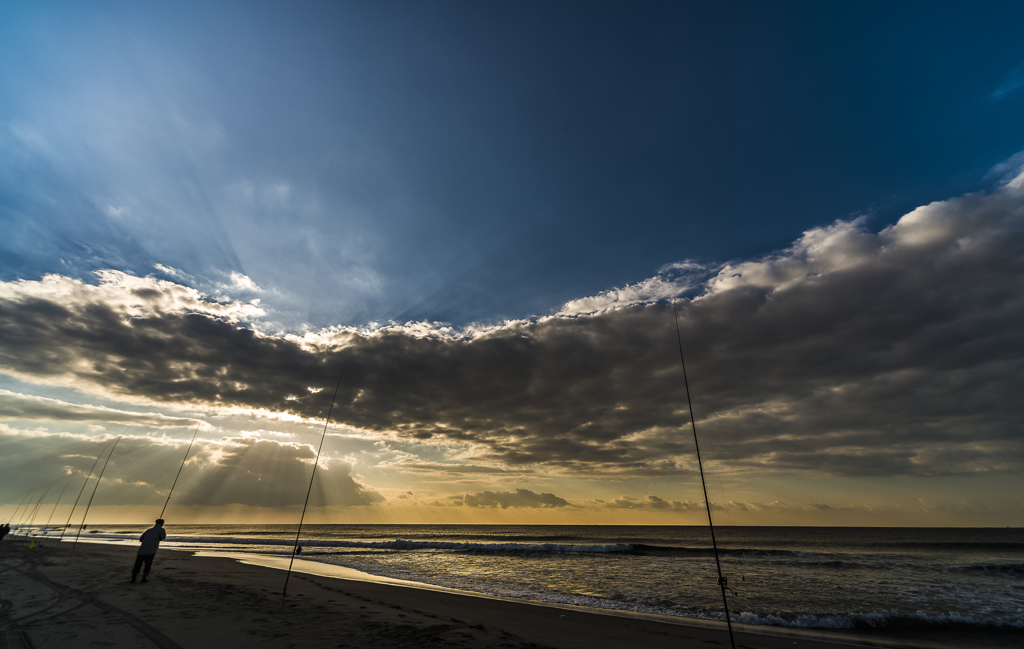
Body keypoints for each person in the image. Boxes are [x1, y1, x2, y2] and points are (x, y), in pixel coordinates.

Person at [131, 519, 167, 583]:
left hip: (142, 550)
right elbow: (162, 538)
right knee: (147, 565)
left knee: (137, 564)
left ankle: (133, 578)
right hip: (151, 550)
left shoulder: (148, 530)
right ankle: (144, 578)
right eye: (163, 522)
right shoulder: (162, 530)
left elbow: (141, 539)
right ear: (161, 523)